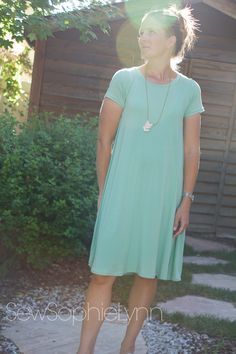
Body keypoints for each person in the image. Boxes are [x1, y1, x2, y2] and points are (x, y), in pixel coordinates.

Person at [76, 3, 205, 354]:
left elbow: (192, 151)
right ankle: (84, 350)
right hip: (121, 191)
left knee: (148, 274)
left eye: (150, 31)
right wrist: (105, 191)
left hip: (164, 197)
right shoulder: (124, 79)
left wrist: (186, 201)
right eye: (142, 30)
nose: (142, 36)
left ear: (171, 39)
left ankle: (128, 345)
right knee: (102, 274)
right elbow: (104, 140)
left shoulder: (189, 90)